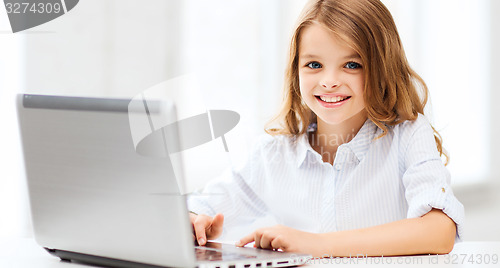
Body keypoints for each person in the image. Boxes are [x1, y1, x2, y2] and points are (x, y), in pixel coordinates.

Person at [188, 0, 464, 258]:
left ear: (383, 68)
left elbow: (439, 231)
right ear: (296, 70)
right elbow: (202, 207)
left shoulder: (408, 135)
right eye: (314, 65)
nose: (329, 81)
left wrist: (316, 244)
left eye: (352, 65)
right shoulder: (273, 153)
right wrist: (194, 221)